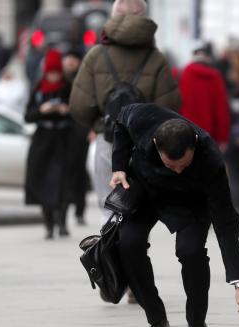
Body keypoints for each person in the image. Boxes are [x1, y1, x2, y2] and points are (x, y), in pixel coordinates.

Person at [109, 103, 239, 327]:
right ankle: (156, 320)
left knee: (191, 252)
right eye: (171, 165)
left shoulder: (211, 161)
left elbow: (226, 224)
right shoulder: (142, 119)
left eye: (184, 165)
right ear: (156, 144)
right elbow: (120, 120)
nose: (178, 170)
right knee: (128, 244)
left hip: (190, 200)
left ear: (195, 144)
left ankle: (197, 322)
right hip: (146, 191)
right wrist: (118, 165)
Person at [69, 0, 181, 217]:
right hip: (145, 144)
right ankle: (134, 247)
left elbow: (79, 105)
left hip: (107, 138)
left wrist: (98, 122)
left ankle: (110, 246)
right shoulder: (156, 58)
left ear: (113, 17)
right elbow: (170, 105)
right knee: (139, 213)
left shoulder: (96, 55)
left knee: (108, 209)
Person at [24, 49, 78, 239]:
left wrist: (66, 110)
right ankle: (48, 224)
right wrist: (41, 110)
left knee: (63, 183)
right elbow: (27, 116)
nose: (54, 76)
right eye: (50, 72)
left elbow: (78, 115)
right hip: (42, 142)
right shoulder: (38, 89)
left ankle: (62, 223)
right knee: (42, 182)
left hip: (63, 140)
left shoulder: (68, 88)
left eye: (56, 72)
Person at [179, 41, 231, 151]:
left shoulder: (184, 73)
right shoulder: (215, 77)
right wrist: (223, 138)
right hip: (209, 136)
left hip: (185, 133)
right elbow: (221, 110)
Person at [62, 49, 90, 225]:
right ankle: (64, 211)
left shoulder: (84, 80)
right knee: (65, 173)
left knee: (79, 173)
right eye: (68, 58)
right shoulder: (58, 79)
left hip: (80, 132)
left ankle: (80, 209)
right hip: (63, 134)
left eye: (73, 59)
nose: (70, 62)